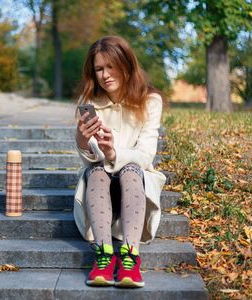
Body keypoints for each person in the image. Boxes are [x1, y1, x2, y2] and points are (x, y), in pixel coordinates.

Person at [73, 35, 168, 288]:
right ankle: (104, 255)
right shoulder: (89, 104)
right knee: (96, 171)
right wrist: (83, 142)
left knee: (130, 168)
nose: (105, 75)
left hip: (135, 184)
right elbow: (90, 159)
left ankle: (130, 256)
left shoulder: (150, 101)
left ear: (126, 64)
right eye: (99, 69)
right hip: (100, 186)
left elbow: (146, 154)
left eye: (110, 66)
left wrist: (115, 153)